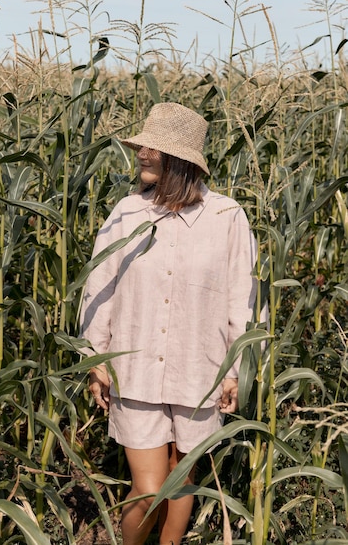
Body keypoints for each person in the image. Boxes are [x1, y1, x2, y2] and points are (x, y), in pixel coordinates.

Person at [80, 102, 259, 545]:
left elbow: (245, 296)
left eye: (152, 147)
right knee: (149, 489)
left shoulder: (226, 218)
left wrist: (238, 369)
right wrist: (95, 359)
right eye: (142, 144)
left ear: (179, 159)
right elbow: (99, 289)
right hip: (135, 371)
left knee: (181, 482)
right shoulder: (126, 214)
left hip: (202, 373)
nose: (141, 152)